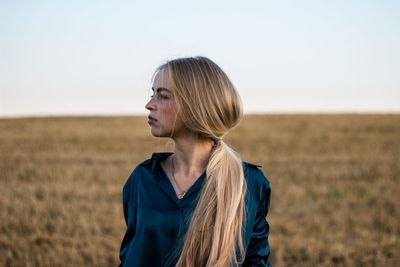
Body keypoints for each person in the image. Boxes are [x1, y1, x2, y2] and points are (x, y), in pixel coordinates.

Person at [119, 56, 272, 267]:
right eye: (152, 94)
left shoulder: (248, 183)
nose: (149, 105)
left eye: (163, 96)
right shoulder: (142, 179)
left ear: (195, 106)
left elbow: (255, 261)